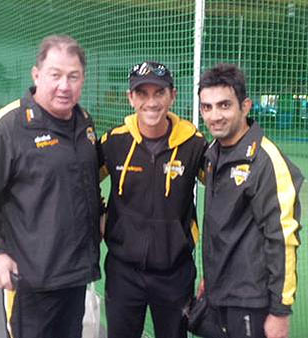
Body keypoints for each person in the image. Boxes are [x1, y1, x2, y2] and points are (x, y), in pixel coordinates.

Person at [0, 35, 101, 338]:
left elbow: (85, 182)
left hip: (75, 276)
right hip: (30, 282)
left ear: (83, 79)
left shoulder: (84, 124)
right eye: (55, 75)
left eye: (73, 76)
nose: (64, 86)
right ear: (36, 75)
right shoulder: (7, 126)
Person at [99, 61, 207, 338]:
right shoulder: (113, 142)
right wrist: (99, 217)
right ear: (130, 98)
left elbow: (225, 191)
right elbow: (77, 184)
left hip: (175, 272)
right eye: (142, 93)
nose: (151, 102)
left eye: (159, 93)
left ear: (173, 95)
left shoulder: (194, 145)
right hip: (123, 272)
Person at [197, 63, 303, 338]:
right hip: (219, 291)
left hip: (250, 300)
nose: (214, 116)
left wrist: (281, 311)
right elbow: (221, 227)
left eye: (224, 105)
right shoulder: (213, 152)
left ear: (245, 106)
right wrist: (210, 278)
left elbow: (283, 239)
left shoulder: (266, 160)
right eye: (207, 107)